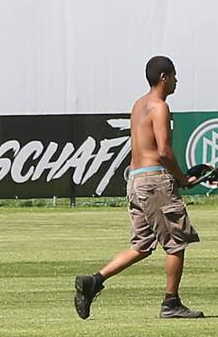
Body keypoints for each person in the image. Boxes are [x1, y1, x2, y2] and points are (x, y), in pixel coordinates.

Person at [74, 55, 205, 320]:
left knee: (142, 246)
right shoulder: (159, 107)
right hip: (155, 182)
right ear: (164, 78)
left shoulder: (138, 104)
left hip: (135, 180)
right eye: (174, 76)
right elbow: (165, 152)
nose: (177, 80)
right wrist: (182, 179)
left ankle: (94, 281)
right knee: (176, 242)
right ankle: (171, 303)